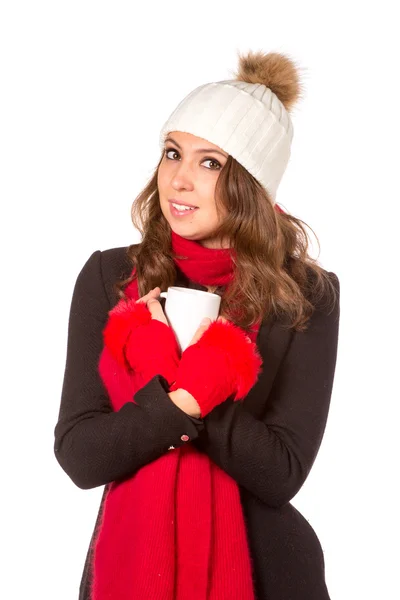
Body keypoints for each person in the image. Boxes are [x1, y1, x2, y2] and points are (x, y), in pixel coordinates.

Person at [54, 49, 340, 600]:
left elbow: (283, 471)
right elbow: (81, 454)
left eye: (210, 163)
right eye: (172, 153)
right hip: (130, 566)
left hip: (270, 577)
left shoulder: (306, 294)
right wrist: (185, 398)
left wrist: (191, 375)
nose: (179, 180)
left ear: (252, 182)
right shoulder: (112, 277)